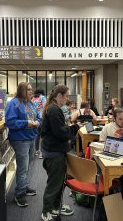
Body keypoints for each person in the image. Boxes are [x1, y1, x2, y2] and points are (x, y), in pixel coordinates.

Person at [40, 85, 82, 221]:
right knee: (54, 184)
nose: (68, 98)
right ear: (59, 96)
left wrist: (68, 127)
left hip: (54, 151)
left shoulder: (53, 108)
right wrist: (75, 127)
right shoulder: (53, 110)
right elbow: (61, 133)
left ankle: (55, 207)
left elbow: (56, 129)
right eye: (66, 96)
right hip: (54, 153)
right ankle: (46, 211)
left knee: (58, 183)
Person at [5, 82, 41, 207]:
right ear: (21, 90)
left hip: (31, 138)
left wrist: (37, 122)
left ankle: (23, 187)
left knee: (28, 165)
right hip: (20, 140)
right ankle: (19, 194)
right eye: (28, 90)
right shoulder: (13, 104)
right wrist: (26, 123)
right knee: (23, 167)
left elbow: (37, 116)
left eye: (31, 90)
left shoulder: (29, 103)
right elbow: (10, 122)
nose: (31, 92)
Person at [31, 89, 47, 158]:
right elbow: (45, 107)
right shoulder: (42, 97)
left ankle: (37, 151)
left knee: (37, 135)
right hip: (42, 118)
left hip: (35, 119)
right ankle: (42, 152)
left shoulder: (33, 98)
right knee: (43, 135)